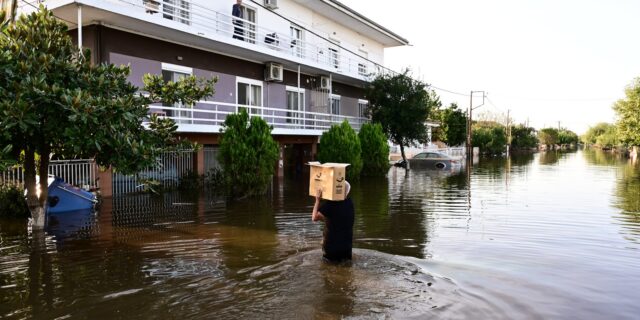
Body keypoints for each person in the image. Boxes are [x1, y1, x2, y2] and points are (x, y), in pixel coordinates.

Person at [311, 181, 355, 263]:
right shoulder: (350, 203)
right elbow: (337, 217)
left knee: (328, 269)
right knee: (346, 267)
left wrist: (317, 200)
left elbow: (314, 217)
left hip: (332, 248)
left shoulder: (330, 205)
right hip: (347, 247)